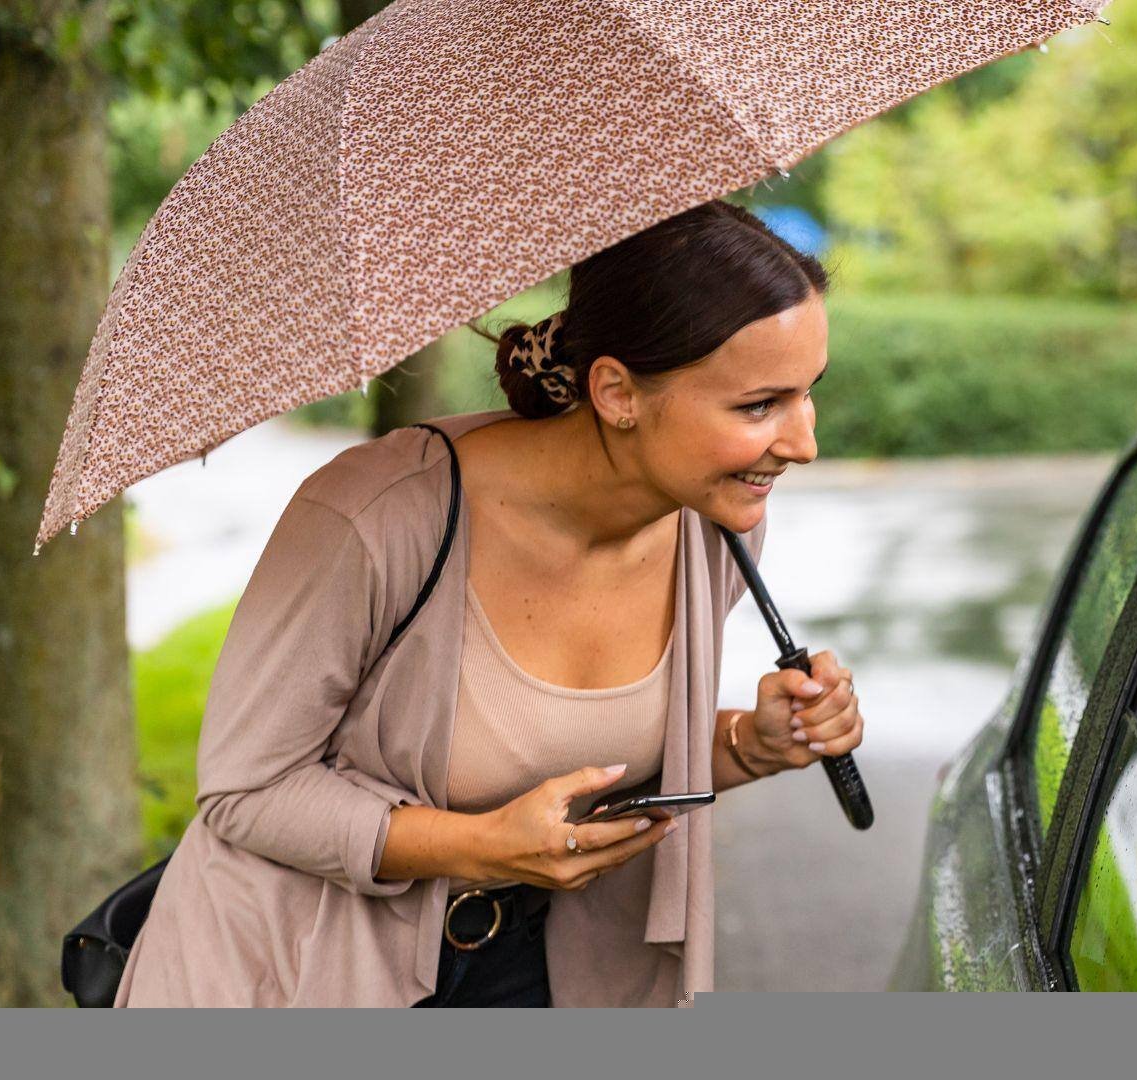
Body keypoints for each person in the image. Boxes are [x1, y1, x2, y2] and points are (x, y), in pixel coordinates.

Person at [112, 200, 864, 1007]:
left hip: (527, 972)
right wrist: (478, 848)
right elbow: (245, 792)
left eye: (808, 394)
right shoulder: (376, 518)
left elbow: (595, 768)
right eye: (760, 406)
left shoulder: (718, 529)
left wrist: (753, 743)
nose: (803, 442)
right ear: (616, 392)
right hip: (289, 974)